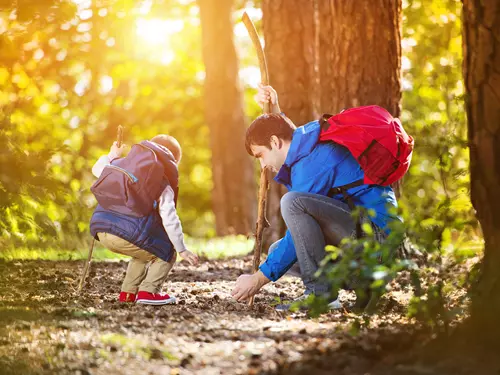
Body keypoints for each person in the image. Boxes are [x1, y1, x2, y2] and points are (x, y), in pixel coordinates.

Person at [231, 85, 400, 310]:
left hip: (378, 242)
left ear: (274, 142)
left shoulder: (314, 162)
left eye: (260, 155)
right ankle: (364, 286)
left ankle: (321, 295)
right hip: (365, 238)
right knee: (277, 250)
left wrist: (257, 280)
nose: (263, 165)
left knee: (292, 203)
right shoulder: (308, 143)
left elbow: (298, 214)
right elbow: (289, 135)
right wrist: (276, 110)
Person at [90, 134, 199, 305]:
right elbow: (170, 218)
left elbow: (96, 170)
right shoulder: (162, 183)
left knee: (144, 251)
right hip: (125, 235)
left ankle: (128, 293)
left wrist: (112, 155)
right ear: (173, 162)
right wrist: (181, 248)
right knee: (166, 252)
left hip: (100, 229)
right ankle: (149, 292)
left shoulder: (121, 164)